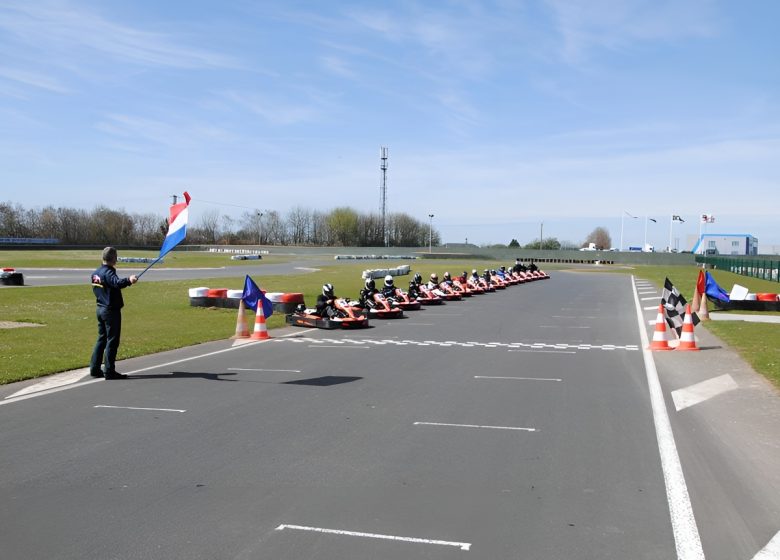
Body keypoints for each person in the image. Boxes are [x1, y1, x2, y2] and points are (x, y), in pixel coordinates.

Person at [89, 247, 138, 380]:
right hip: (110, 311)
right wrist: (129, 280)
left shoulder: (96, 273)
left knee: (102, 338)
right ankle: (109, 371)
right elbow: (116, 283)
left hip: (100, 308)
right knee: (112, 340)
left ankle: (94, 368)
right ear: (114, 258)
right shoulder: (108, 272)